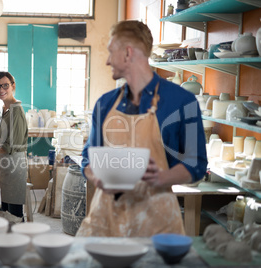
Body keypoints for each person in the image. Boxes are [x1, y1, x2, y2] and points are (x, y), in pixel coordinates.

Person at [76, 21, 208, 237]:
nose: (108, 60)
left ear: (128, 53)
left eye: (111, 51)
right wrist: (96, 177)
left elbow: (196, 163)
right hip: (106, 218)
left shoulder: (182, 101)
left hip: (156, 223)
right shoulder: (104, 104)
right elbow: (87, 159)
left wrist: (161, 178)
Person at [0, 71, 28, 219]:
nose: (1, 90)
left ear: (13, 86)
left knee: (14, 215)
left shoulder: (16, 110)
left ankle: (18, 241)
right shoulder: (4, 110)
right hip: (4, 165)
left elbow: (11, 146)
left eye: (5, 85)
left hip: (14, 166)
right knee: (4, 211)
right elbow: (3, 140)